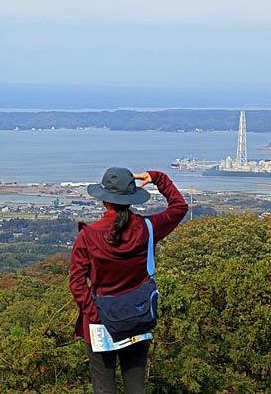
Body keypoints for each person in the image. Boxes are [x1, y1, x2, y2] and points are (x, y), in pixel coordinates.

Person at [69, 168, 188, 394]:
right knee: (135, 387)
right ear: (131, 199)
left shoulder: (89, 235)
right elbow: (179, 207)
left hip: (100, 322)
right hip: (137, 316)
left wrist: (95, 313)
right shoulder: (147, 228)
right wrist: (158, 178)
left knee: (104, 389)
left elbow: (76, 282)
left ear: (104, 200)